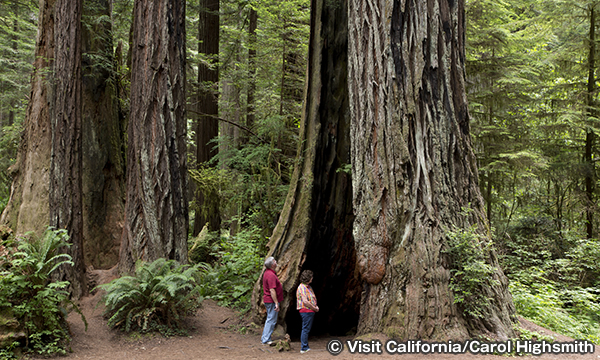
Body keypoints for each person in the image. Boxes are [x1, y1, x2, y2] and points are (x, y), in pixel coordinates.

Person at [261, 256, 283, 345]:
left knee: (270, 319)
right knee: (271, 319)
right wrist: (276, 303)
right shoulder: (270, 275)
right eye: (274, 261)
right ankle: (266, 339)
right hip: (271, 301)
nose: (276, 262)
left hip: (269, 300)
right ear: (272, 265)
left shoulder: (268, 273)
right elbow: (272, 290)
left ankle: (266, 337)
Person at [296, 270, 319, 354]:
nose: (312, 278)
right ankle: (304, 347)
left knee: (306, 328)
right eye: (311, 277)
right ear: (308, 278)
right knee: (305, 329)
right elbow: (305, 301)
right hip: (306, 310)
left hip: (310, 311)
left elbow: (311, 298)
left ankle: (305, 346)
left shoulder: (308, 287)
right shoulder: (302, 287)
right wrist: (314, 308)